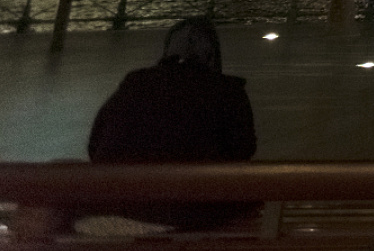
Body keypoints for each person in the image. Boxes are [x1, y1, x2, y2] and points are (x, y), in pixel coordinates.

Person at [82, 17, 257, 235]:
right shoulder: (228, 91)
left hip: (114, 207)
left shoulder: (134, 83)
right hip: (187, 215)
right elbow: (243, 149)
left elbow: (95, 144)